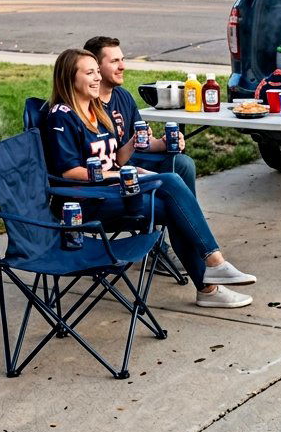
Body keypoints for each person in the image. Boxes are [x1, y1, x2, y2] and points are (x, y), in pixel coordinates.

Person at [45, 49, 256, 309]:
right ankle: (212, 275)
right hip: (86, 203)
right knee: (171, 188)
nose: (97, 78)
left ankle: (212, 276)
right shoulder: (61, 116)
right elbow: (69, 172)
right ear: (69, 77)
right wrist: (122, 174)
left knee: (175, 202)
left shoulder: (96, 110)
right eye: (90, 73)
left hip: (115, 192)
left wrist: (133, 144)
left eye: (97, 72)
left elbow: (118, 159)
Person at [84, 35, 195, 276]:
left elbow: (142, 141)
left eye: (122, 59)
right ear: (95, 67)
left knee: (182, 163)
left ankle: (188, 244)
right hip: (114, 174)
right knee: (170, 187)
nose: (123, 66)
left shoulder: (122, 96)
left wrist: (163, 144)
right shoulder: (86, 104)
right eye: (114, 61)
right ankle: (166, 245)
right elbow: (110, 159)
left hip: (132, 160)